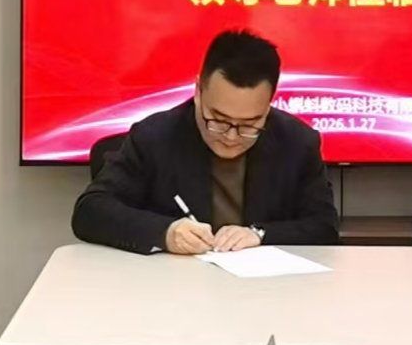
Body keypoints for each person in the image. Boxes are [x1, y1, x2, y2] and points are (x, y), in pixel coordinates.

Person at [71, 29, 340, 255]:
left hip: (265, 291)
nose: (231, 137)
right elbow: (90, 211)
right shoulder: (155, 137)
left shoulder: (297, 142)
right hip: (173, 288)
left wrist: (260, 234)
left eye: (249, 125)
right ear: (198, 91)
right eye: (218, 120)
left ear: (268, 106)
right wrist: (165, 232)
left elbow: (324, 226)